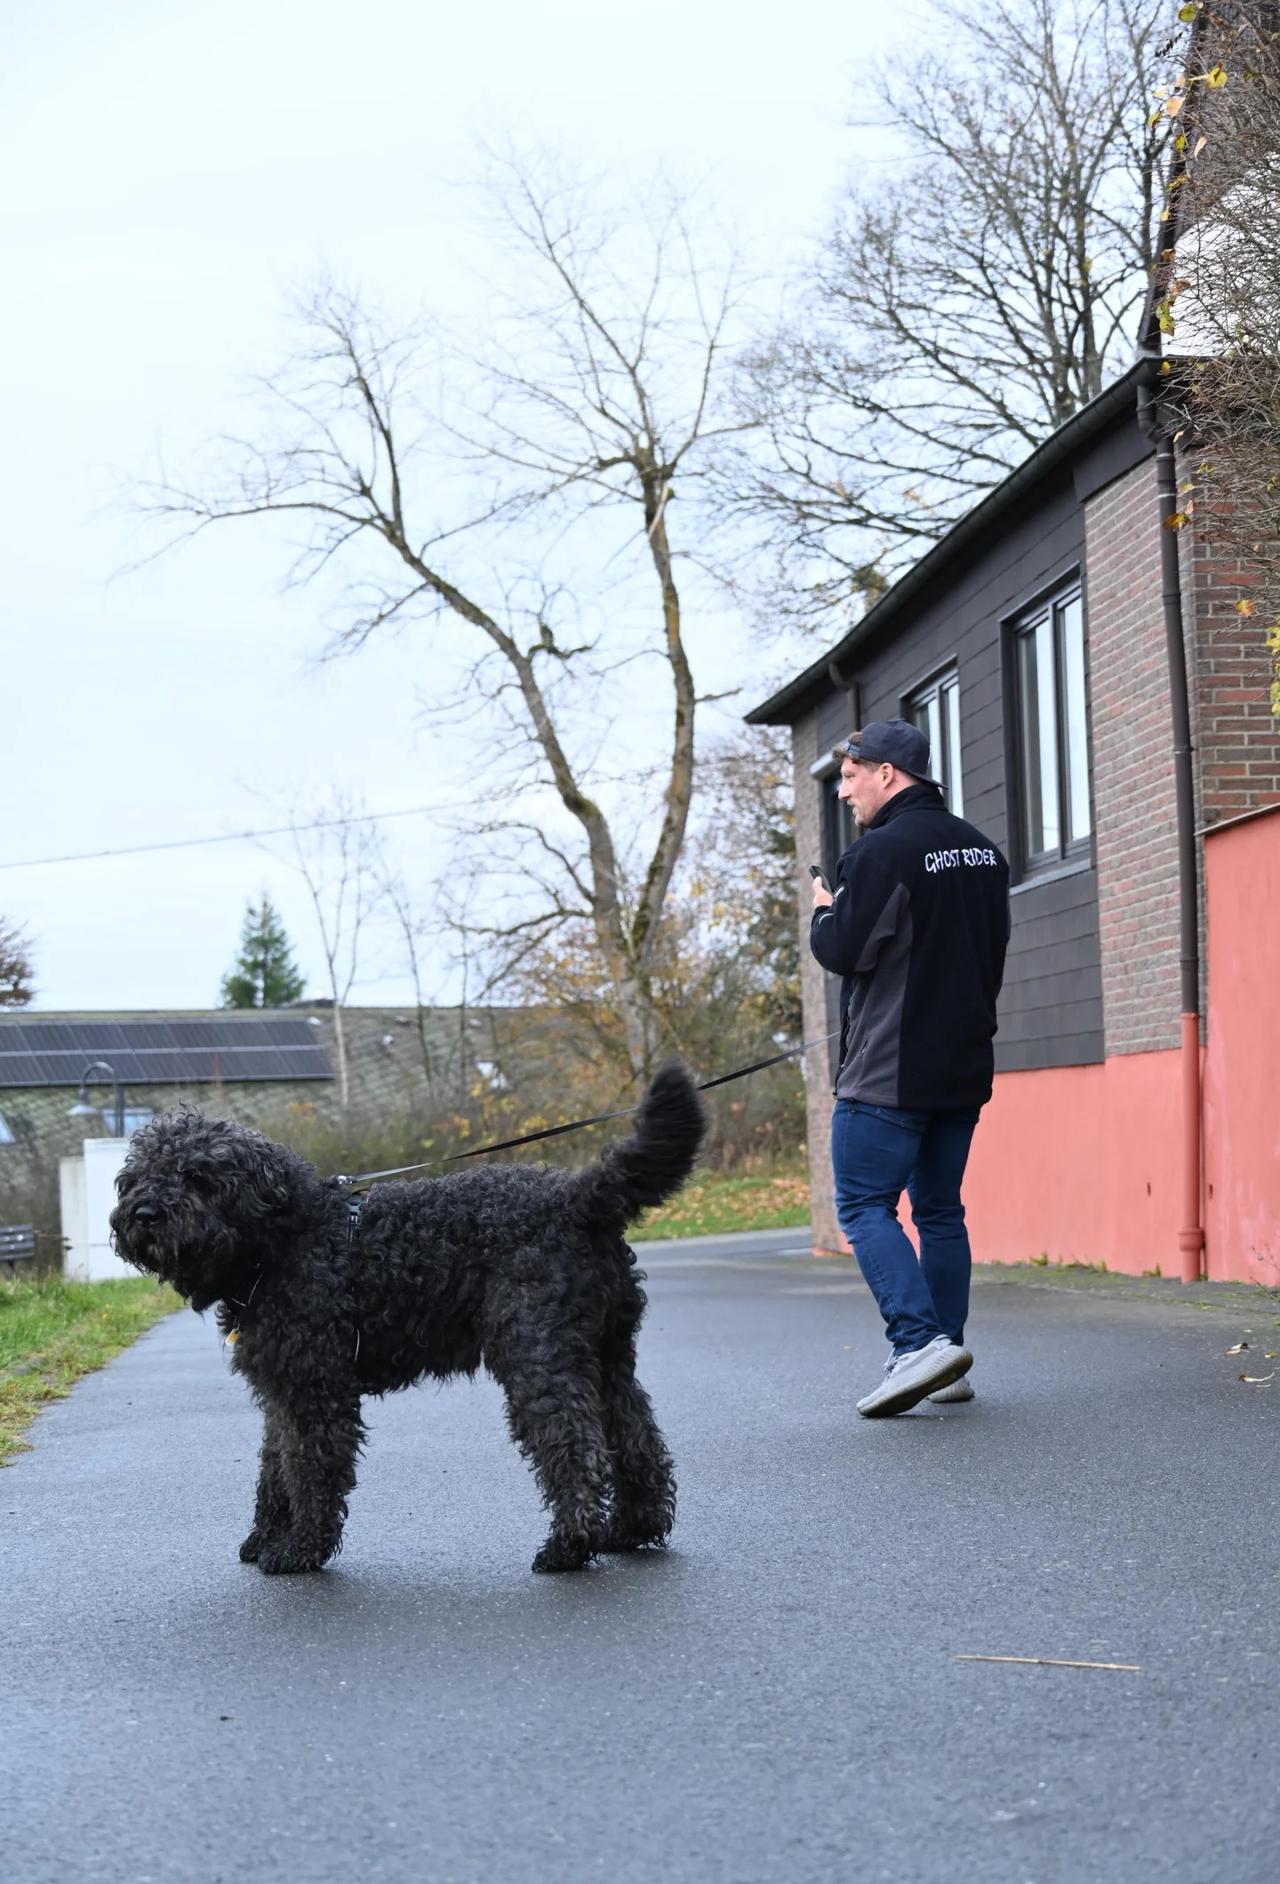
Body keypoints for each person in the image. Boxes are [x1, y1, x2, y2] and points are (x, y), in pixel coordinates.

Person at [810, 718, 1010, 1417]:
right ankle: (947, 1358)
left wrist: (822, 916)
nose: (843, 792)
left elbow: (846, 951)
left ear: (887, 774)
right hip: (962, 1067)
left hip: (889, 1071)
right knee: (940, 1210)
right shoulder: (984, 853)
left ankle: (918, 1342)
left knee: (863, 1204)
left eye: (850, 776)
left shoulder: (880, 855)